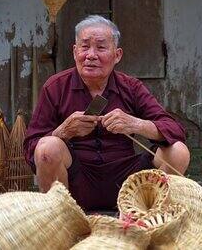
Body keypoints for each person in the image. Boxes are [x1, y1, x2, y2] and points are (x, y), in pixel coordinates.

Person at [24, 15, 190, 210]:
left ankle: (150, 217)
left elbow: (176, 130)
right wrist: (63, 132)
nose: (91, 55)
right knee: (47, 147)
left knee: (178, 151)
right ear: (75, 51)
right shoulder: (55, 87)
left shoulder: (131, 87)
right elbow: (31, 148)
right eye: (84, 47)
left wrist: (136, 124)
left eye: (101, 47)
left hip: (128, 183)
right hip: (76, 181)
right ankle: (60, 217)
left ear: (117, 55)